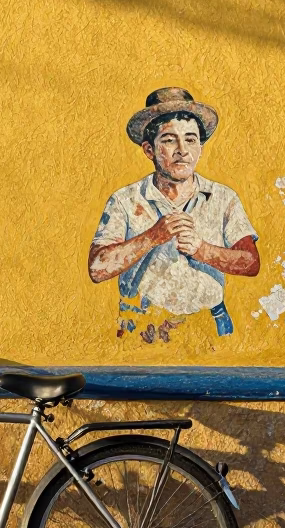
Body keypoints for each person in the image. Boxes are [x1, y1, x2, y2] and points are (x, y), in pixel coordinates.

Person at [89, 87, 259, 340]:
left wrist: (201, 249)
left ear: (200, 147)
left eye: (191, 139)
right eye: (169, 140)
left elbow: (250, 262)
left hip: (210, 325)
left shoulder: (222, 197)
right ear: (149, 150)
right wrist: (152, 237)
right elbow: (97, 269)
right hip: (142, 329)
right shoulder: (125, 200)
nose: (182, 149)